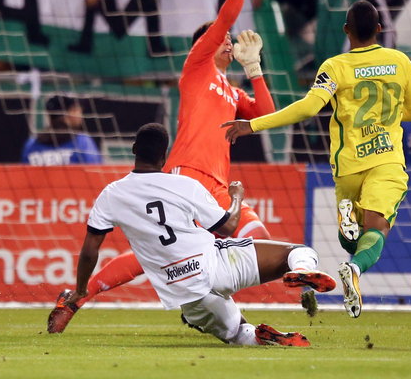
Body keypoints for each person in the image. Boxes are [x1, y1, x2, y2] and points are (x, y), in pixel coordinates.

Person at [47, 0, 279, 333]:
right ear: (204, 46)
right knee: (152, 255)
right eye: (222, 40)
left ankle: (219, 304)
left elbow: (267, 115)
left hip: (219, 184)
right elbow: (224, 20)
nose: (228, 41)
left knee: (256, 237)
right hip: (186, 176)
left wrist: (254, 68)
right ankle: (79, 297)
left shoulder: (231, 90)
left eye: (227, 41)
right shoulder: (198, 68)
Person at [223, 0, 411, 318]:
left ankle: (347, 219)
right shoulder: (400, 62)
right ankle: (354, 271)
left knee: (352, 238)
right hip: (386, 160)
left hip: (347, 165)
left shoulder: (334, 66)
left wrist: (252, 124)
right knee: (376, 230)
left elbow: (307, 108)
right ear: (379, 29)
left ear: (346, 31)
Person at [56, 123, 336, 346]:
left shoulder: (111, 195)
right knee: (299, 251)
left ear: (133, 149)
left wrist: (81, 289)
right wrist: (236, 197)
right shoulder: (184, 185)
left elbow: (90, 250)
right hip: (218, 265)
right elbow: (226, 227)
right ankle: (301, 269)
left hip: (185, 292)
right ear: (164, 156)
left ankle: (262, 336)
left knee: (237, 333)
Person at [21, 95, 101, 166]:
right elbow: (95, 174)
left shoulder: (32, 144)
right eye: (76, 110)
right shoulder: (82, 141)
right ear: (69, 113)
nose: (80, 115)